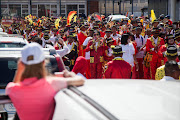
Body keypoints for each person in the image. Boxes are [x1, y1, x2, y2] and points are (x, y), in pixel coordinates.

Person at [5, 43, 85, 120]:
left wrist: (19, 70)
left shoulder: (13, 89)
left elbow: (14, 84)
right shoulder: (52, 83)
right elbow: (80, 80)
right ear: (43, 62)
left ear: (21, 64)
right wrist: (70, 74)